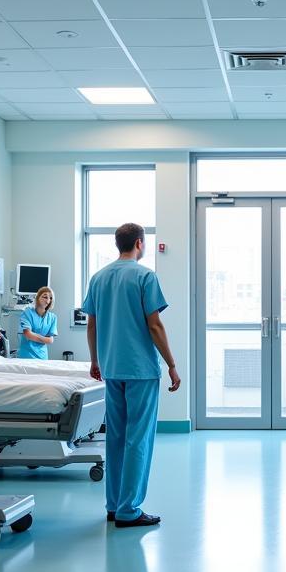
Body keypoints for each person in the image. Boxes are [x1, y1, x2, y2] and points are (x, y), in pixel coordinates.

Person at [83, 222, 180, 528]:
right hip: (140, 370)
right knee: (138, 438)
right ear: (140, 243)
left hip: (111, 368)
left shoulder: (98, 279)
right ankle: (129, 510)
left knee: (116, 436)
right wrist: (172, 364)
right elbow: (154, 325)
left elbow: (92, 325)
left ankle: (113, 505)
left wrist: (95, 361)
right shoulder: (144, 276)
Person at [17, 286, 57, 361]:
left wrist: (34, 336)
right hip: (26, 356)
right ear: (37, 297)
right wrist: (44, 339)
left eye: (50, 298)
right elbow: (28, 334)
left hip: (42, 357)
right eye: (45, 297)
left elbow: (51, 340)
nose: (48, 301)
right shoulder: (27, 313)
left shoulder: (52, 317)